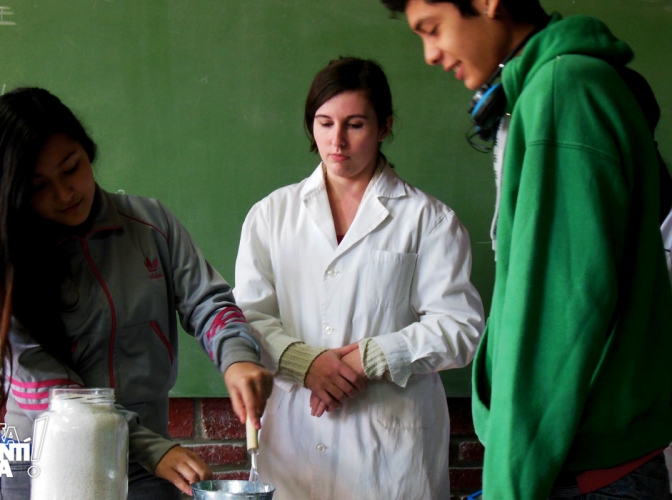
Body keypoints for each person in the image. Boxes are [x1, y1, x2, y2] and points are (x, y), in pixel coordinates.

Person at [379, 0, 672, 499]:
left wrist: (507, 489)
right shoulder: (569, 84)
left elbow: (556, 319)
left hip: (583, 475)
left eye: (432, 28)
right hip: (595, 464)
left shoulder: (560, 93)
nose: (429, 54)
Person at [0, 87, 274, 499]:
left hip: (145, 461)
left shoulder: (149, 225)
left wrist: (236, 357)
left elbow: (207, 301)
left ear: (87, 152)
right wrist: (149, 447)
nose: (65, 193)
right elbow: (49, 389)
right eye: (40, 186)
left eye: (71, 168)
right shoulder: (10, 264)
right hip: (42, 461)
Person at [233, 56, 485, 500]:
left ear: (385, 126)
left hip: (391, 455)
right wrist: (302, 362)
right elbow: (246, 316)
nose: (337, 141)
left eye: (355, 125)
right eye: (324, 123)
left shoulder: (429, 220)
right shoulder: (272, 215)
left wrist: (372, 358)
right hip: (294, 441)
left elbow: (460, 327)